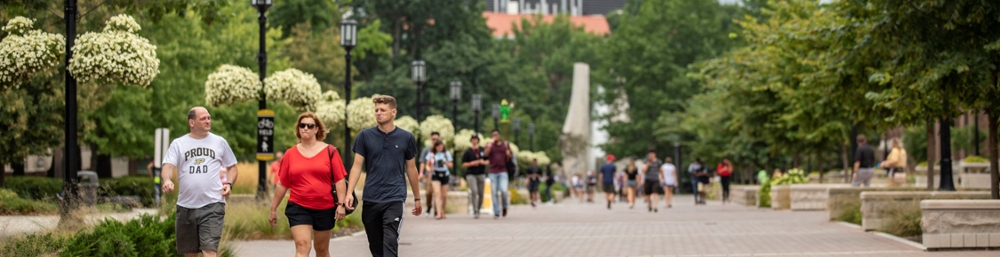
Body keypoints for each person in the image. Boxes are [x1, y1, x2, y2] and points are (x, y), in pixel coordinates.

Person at [343, 95, 422, 257]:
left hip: (394, 198)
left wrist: (417, 198)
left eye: (383, 110)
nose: (378, 113)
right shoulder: (365, 136)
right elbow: (356, 167)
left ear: (394, 112)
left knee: (390, 243)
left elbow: (411, 169)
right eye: (376, 110)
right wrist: (349, 192)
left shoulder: (406, 138)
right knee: (376, 246)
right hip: (371, 198)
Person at [160, 107, 238, 257]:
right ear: (192, 122)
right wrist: (167, 180)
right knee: (190, 254)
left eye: (209, 118)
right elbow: (168, 166)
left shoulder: (219, 142)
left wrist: (229, 184)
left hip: (213, 204)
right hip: (185, 206)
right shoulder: (179, 143)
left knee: (209, 251)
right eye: (203, 118)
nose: (208, 121)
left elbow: (232, 167)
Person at [268, 112, 347, 257]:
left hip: (325, 207)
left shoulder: (330, 151)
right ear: (298, 129)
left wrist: (341, 205)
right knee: (302, 246)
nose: (305, 128)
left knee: (322, 250)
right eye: (302, 125)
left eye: (310, 126)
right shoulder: (290, 154)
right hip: (298, 207)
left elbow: (339, 180)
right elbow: (282, 184)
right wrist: (273, 209)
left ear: (316, 129)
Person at [484, 129, 513, 219]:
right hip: (492, 171)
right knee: (494, 192)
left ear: (499, 135)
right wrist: (491, 143)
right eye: (493, 135)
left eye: (496, 134)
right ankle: (496, 211)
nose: (495, 136)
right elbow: (485, 154)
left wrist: (508, 154)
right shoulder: (489, 145)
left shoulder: (505, 145)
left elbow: (510, 157)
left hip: (503, 170)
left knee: (504, 190)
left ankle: (504, 207)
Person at [461, 133, 487, 219]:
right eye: (473, 139)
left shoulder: (483, 150)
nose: (474, 140)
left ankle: (478, 209)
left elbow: (489, 160)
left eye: (476, 139)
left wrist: (483, 162)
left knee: (481, 193)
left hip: (481, 173)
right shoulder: (468, 151)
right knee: (474, 192)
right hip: (471, 173)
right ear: (471, 140)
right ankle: (475, 210)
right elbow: (463, 164)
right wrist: (473, 163)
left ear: (478, 140)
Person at [425, 140, 453, 219]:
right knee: (437, 193)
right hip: (435, 174)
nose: (440, 148)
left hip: (445, 174)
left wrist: (445, 163)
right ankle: (438, 213)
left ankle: (443, 211)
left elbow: (451, 165)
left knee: (444, 196)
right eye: (438, 146)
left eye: (441, 146)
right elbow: (427, 165)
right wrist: (430, 169)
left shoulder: (446, 154)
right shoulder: (431, 154)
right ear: (435, 147)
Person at [418, 132, 441, 216]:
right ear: (430, 139)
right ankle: (428, 207)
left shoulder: (441, 150)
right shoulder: (427, 149)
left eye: (436, 139)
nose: (435, 140)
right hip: (429, 174)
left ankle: (436, 210)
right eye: (433, 139)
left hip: (439, 175)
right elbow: (422, 162)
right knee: (428, 192)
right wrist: (421, 173)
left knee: (437, 192)